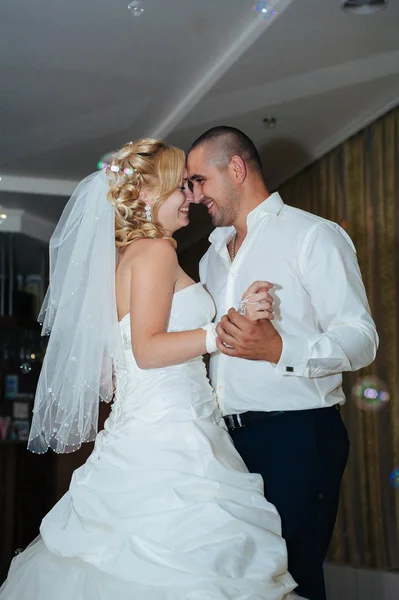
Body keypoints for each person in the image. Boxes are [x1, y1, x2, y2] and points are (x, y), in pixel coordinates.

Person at [0, 139, 299, 600]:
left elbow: (130, 359)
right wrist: (219, 332)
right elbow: (147, 350)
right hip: (170, 431)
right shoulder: (157, 251)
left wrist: (237, 314)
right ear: (146, 193)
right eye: (181, 187)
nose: (192, 197)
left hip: (150, 419)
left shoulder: (128, 257)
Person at [187, 126, 379, 600]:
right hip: (224, 444)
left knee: (292, 581)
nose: (193, 196)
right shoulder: (211, 258)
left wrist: (278, 350)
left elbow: (361, 339)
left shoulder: (312, 235)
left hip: (296, 436)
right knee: (238, 581)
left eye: (199, 180)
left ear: (236, 168)